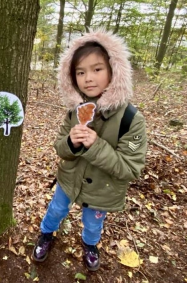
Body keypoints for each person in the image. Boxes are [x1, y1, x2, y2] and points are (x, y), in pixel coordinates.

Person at [32, 29, 147, 271]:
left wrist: (96, 146)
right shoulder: (75, 110)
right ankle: (46, 234)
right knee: (55, 210)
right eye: (81, 72)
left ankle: (90, 244)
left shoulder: (130, 119)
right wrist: (72, 143)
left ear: (114, 71)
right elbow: (60, 148)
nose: (88, 78)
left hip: (103, 190)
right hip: (69, 180)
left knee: (93, 224)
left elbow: (130, 168)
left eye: (97, 69)